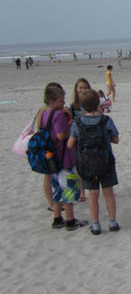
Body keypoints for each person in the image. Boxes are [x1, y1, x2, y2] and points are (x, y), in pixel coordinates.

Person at [67, 89, 119, 235]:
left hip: (86, 163)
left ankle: (96, 224)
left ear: (82, 106)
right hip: (105, 161)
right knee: (109, 193)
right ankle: (112, 222)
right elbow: (116, 139)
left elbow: (70, 144)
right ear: (98, 103)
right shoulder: (106, 121)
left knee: (93, 194)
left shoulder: (77, 123)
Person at [37, 83, 85, 230]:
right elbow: (60, 135)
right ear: (52, 101)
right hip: (63, 157)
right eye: (60, 101)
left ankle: (57, 218)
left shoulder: (44, 113)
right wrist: (70, 126)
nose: (63, 103)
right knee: (68, 189)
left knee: (57, 189)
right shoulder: (57, 115)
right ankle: (70, 220)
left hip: (51, 157)